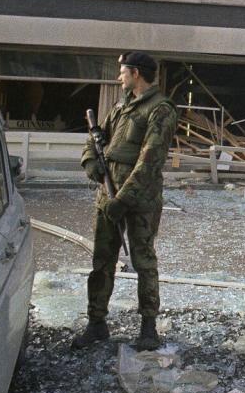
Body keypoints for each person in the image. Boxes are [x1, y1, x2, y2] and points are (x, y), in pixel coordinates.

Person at [73, 52, 178, 351]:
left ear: (136, 73)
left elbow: (150, 160)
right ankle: (96, 323)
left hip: (139, 200)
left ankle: (148, 327)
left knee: (143, 261)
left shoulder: (160, 109)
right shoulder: (121, 105)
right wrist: (91, 162)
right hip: (107, 195)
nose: (119, 77)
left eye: (123, 72)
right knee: (102, 260)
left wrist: (124, 198)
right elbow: (96, 136)